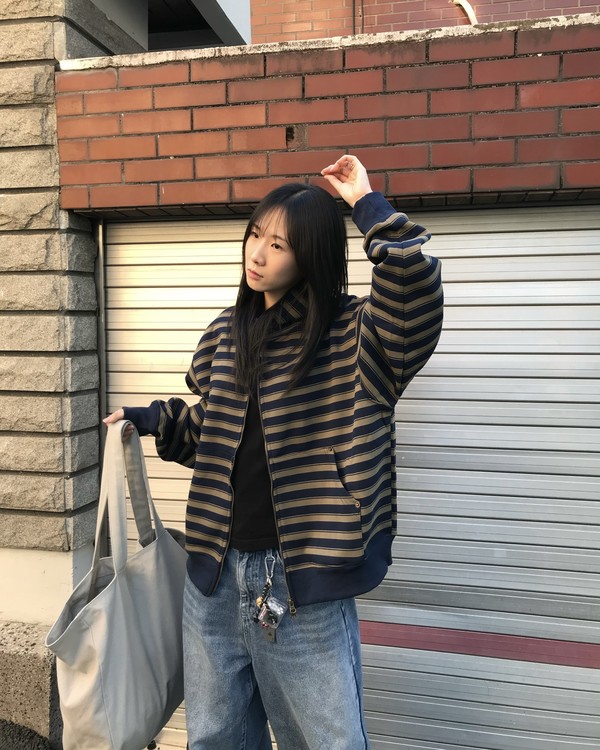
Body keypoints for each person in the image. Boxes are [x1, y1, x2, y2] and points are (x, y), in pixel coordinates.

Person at [104, 154, 443, 750]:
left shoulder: (355, 335)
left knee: (327, 742)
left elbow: (413, 291)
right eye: (255, 234)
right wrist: (154, 420)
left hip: (300, 581)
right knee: (215, 739)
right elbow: (216, 432)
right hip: (213, 577)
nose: (257, 254)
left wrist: (366, 203)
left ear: (310, 256)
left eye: (279, 245)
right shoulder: (225, 333)